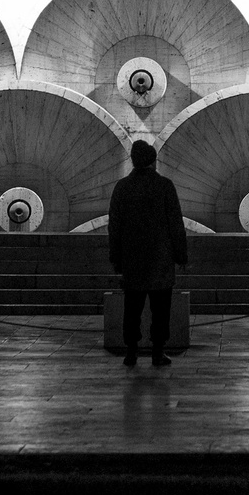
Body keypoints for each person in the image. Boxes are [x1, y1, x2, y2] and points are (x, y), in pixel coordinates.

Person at [107, 140, 186, 369]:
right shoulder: (165, 186)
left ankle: (131, 352)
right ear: (153, 161)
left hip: (132, 260)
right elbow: (175, 224)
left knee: (132, 308)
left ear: (133, 161)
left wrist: (116, 258)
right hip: (161, 259)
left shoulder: (122, 187)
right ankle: (158, 352)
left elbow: (115, 226)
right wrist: (181, 255)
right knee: (160, 309)